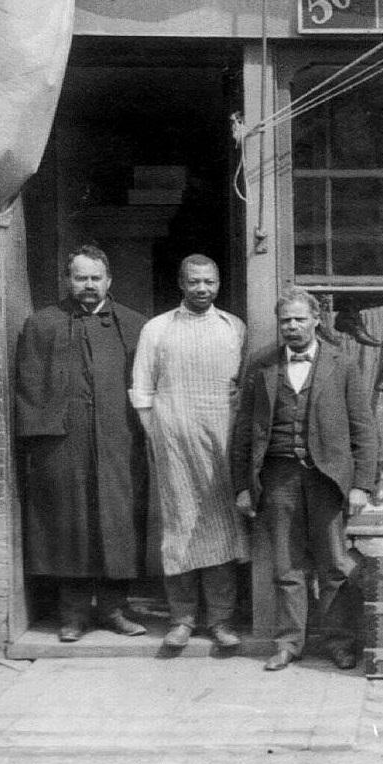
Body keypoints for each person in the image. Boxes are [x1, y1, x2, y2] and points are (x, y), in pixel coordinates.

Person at [231, 286, 381, 672]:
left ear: (316, 320)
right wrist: (243, 486)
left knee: (334, 566)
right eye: (286, 321)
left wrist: (361, 483)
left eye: (300, 319)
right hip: (278, 477)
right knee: (287, 566)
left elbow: (363, 429)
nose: (293, 327)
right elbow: (244, 430)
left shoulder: (342, 364)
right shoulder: (262, 365)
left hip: (327, 479)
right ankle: (288, 644)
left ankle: (340, 642)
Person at [14, 245, 150, 642]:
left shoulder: (135, 325)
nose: (88, 285)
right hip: (63, 446)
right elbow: (28, 387)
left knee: (117, 523)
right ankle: (72, 614)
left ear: (108, 280)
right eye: (80, 278)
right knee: (69, 526)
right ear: (68, 280)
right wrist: (42, 440)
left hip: (118, 442)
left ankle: (113, 609)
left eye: (95, 278)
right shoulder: (42, 325)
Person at [129, 255, 248, 652]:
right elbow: (143, 390)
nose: (202, 289)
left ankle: (220, 620)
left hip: (221, 444)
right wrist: (161, 435)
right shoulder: (157, 329)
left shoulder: (233, 327)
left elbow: (241, 391)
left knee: (221, 526)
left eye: (209, 282)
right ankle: (181, 619)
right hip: (173, 443)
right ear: (181, 283)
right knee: (179, 524)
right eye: (194, 282)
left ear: (218, 284)